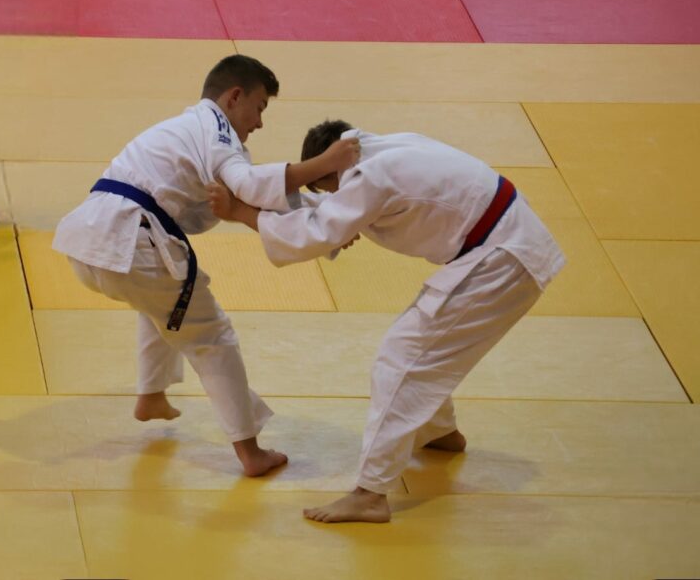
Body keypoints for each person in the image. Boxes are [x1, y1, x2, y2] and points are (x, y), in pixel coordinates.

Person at [208, 120, 565, 518]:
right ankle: (439, 432)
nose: (334, 197)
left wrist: (240, 211)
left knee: (402, 357)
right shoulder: (383, 150)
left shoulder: (370, 178)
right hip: (506, 242)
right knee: (427, 346)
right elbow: (327, 214)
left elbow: (313, 233)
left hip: (501, 258)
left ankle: (370, 494)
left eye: (328, 188)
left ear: (332, 168)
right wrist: (314, 215)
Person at [52, 57, 360, 478]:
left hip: (89, 241)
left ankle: (151, 393)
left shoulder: (189, 131)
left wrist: (328, 217)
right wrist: (322, 166)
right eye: (259, 107)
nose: (259, 122)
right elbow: (250, 187)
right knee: (213, 337)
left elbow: (245, 198)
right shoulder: (217, 130)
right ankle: (250, 452)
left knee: (164, 303)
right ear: (234, 97)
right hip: (130, 241)